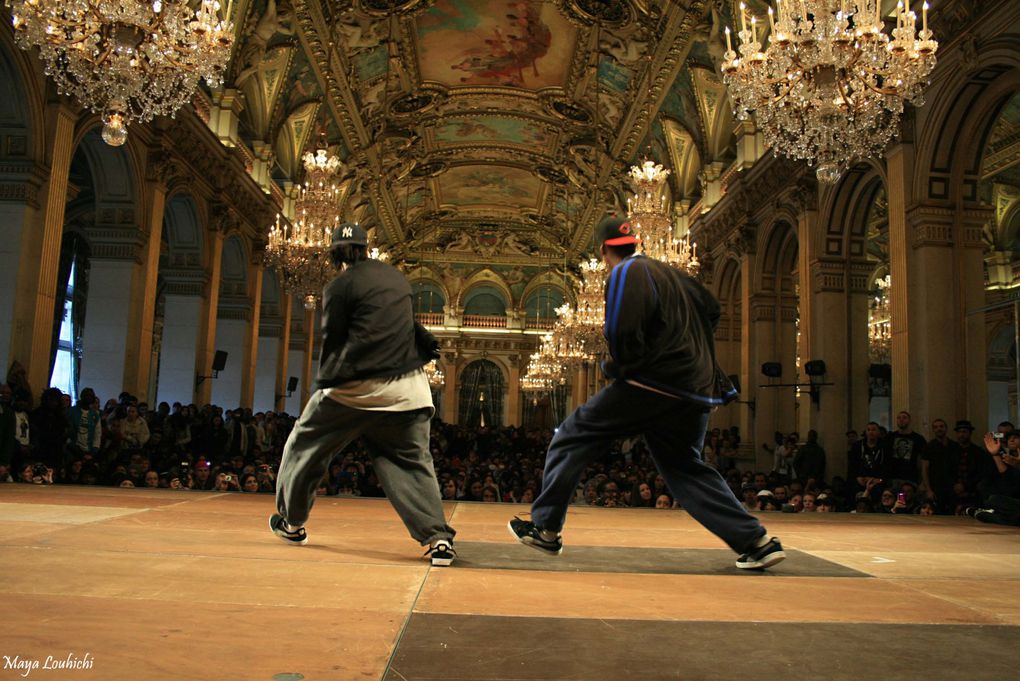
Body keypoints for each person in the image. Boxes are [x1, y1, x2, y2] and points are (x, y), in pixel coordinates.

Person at [508, 216, 785, 570]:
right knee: (685, 466)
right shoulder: (675, 274)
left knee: (571, 435)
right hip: (697, 388)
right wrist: (688, 345)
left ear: (603, 249)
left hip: (653, 381)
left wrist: (626, 366)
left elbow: (621, 330)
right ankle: (756, 542)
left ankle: (546, 529)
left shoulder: (625, 273)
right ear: (636, 242)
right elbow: (712, 310)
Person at [270, 223, 457, 566]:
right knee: (411, 464)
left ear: (335, 254)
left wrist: (323, 384)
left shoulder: (339, 286)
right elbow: (409, 326)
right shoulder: (395, 277)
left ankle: (292, 522)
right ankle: (438, 540)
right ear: (366, 248)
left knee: (305, 447)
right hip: (409, 390)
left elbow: (333, 339)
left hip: (356, 389)